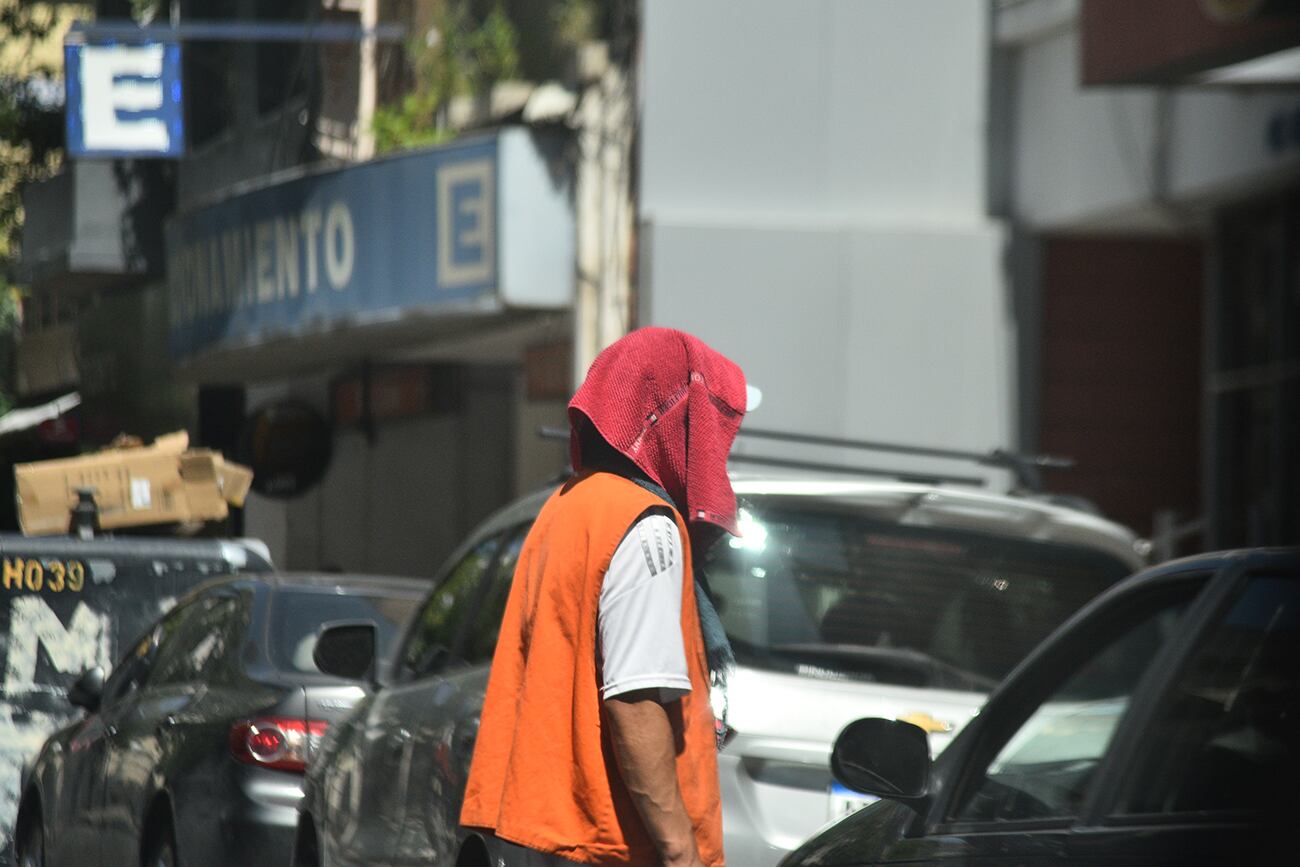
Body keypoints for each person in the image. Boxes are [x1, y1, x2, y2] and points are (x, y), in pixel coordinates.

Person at [460, 327, 757, 867]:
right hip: (610, 848)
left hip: (543, 834)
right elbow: (635, 698)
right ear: (678, 427)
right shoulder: (646, 526)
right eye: (712, 429)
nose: (718, 452)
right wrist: (679, 851)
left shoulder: (569, 505)